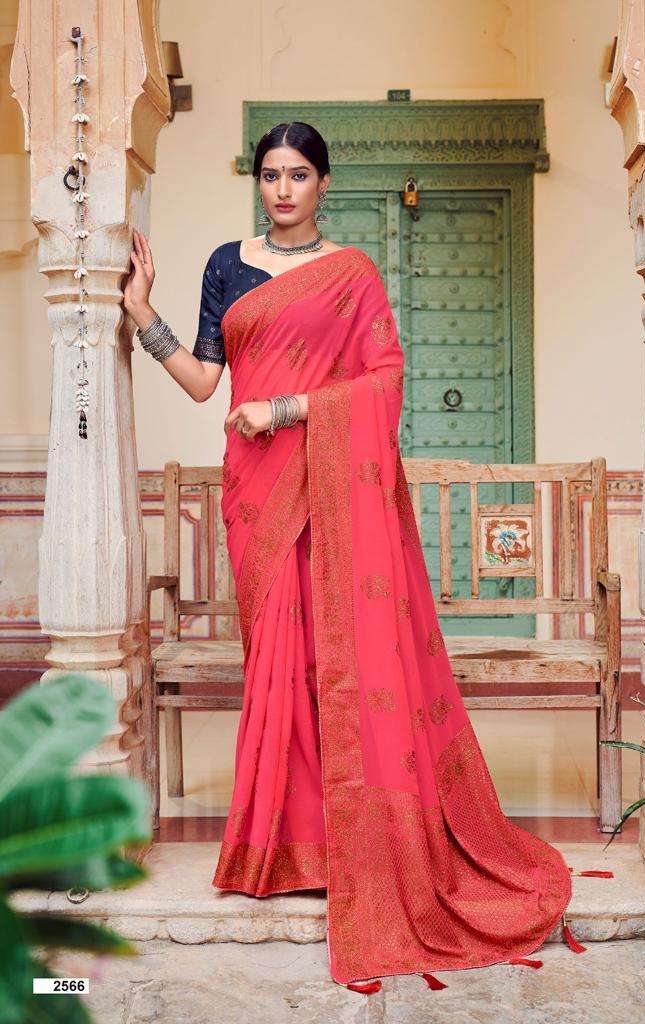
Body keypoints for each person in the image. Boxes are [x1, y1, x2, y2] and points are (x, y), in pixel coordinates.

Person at [123, 121, 572, 989]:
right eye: (269, 175)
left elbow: (385, 378)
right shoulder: (226, 266)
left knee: (342, 658)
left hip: (320, 475)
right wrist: (144, 313)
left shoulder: (353, 274)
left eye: (298, 175)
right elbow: (206, 381)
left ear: (324, 184)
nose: (282, 189)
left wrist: (289, 408)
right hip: (258, 492)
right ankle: (282, 850)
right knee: (278, 663)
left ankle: (354, 846)